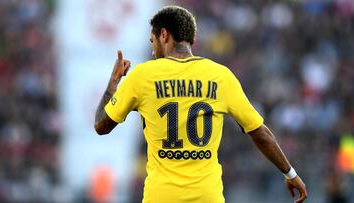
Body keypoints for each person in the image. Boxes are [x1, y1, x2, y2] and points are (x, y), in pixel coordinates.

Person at [94, 5, 307, 203]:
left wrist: (113, 82)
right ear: (191, 38)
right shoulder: (220, 76)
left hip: (161, 197)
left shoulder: (142, 75)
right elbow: (260, 134)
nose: (153, 50)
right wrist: (291, 174)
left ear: (164, 35)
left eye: (153, 41)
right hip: (207, 197)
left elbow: (101, 126)